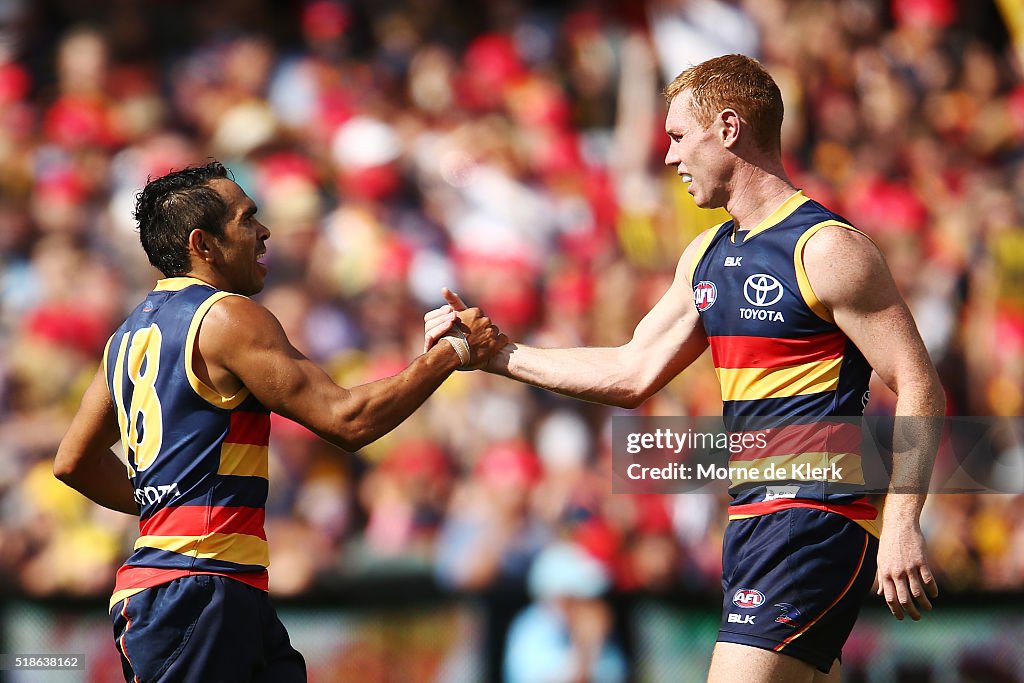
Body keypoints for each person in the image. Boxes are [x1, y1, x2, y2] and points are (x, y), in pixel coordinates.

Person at [424, 54, 945, 683]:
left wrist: (901, 524)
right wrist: (498, 354)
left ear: (728, 129)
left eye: (677, 137)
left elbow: (919, 383)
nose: (669, 158)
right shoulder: (705, 254)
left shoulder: (827, 248)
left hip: (813, 516)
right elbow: (631, 371)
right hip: (752, 520)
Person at [53, 161, 505, 683]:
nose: (264, 233)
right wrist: (451, 352)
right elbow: (348, 420)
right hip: (200, 591)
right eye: (248, 220)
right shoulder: (226, 316)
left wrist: (168, 509)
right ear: (203, 244)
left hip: (200, 588)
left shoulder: (127, 335)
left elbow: (74, 461)